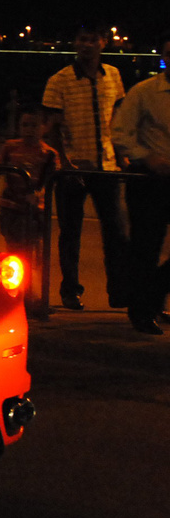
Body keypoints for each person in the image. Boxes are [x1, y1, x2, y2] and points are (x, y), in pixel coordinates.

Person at [40, 27, 129, 310]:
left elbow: (117, 117)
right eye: (82, 39)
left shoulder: (113, 75)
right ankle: (70, 291)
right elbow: (52, 129)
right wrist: (65, 163)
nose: (87, 45)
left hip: (107, 168)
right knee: (70, 233)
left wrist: (121, 155)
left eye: (93, 39)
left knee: (115, 232)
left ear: (103, 43)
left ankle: (117, 290)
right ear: (75, 43)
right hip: (72, 171)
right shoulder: (60, 80)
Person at [111, 32, 170, 335]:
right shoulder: (144, 92)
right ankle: (142, 311)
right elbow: (120, 133)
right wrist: (147, 158)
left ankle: (152, 297)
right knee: (146, 248)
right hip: (150, 182)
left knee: (148, 250)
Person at [0, 106, 60, 266]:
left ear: (44, 127)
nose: (29, 130)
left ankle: (29, 279)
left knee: (29, 245)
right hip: (10, 205)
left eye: (34, 126)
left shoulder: (49, 154)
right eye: (25, 125)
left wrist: (37, 194)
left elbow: (50, 179)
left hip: (34, 208)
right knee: (13, 245)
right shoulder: (10, 147)